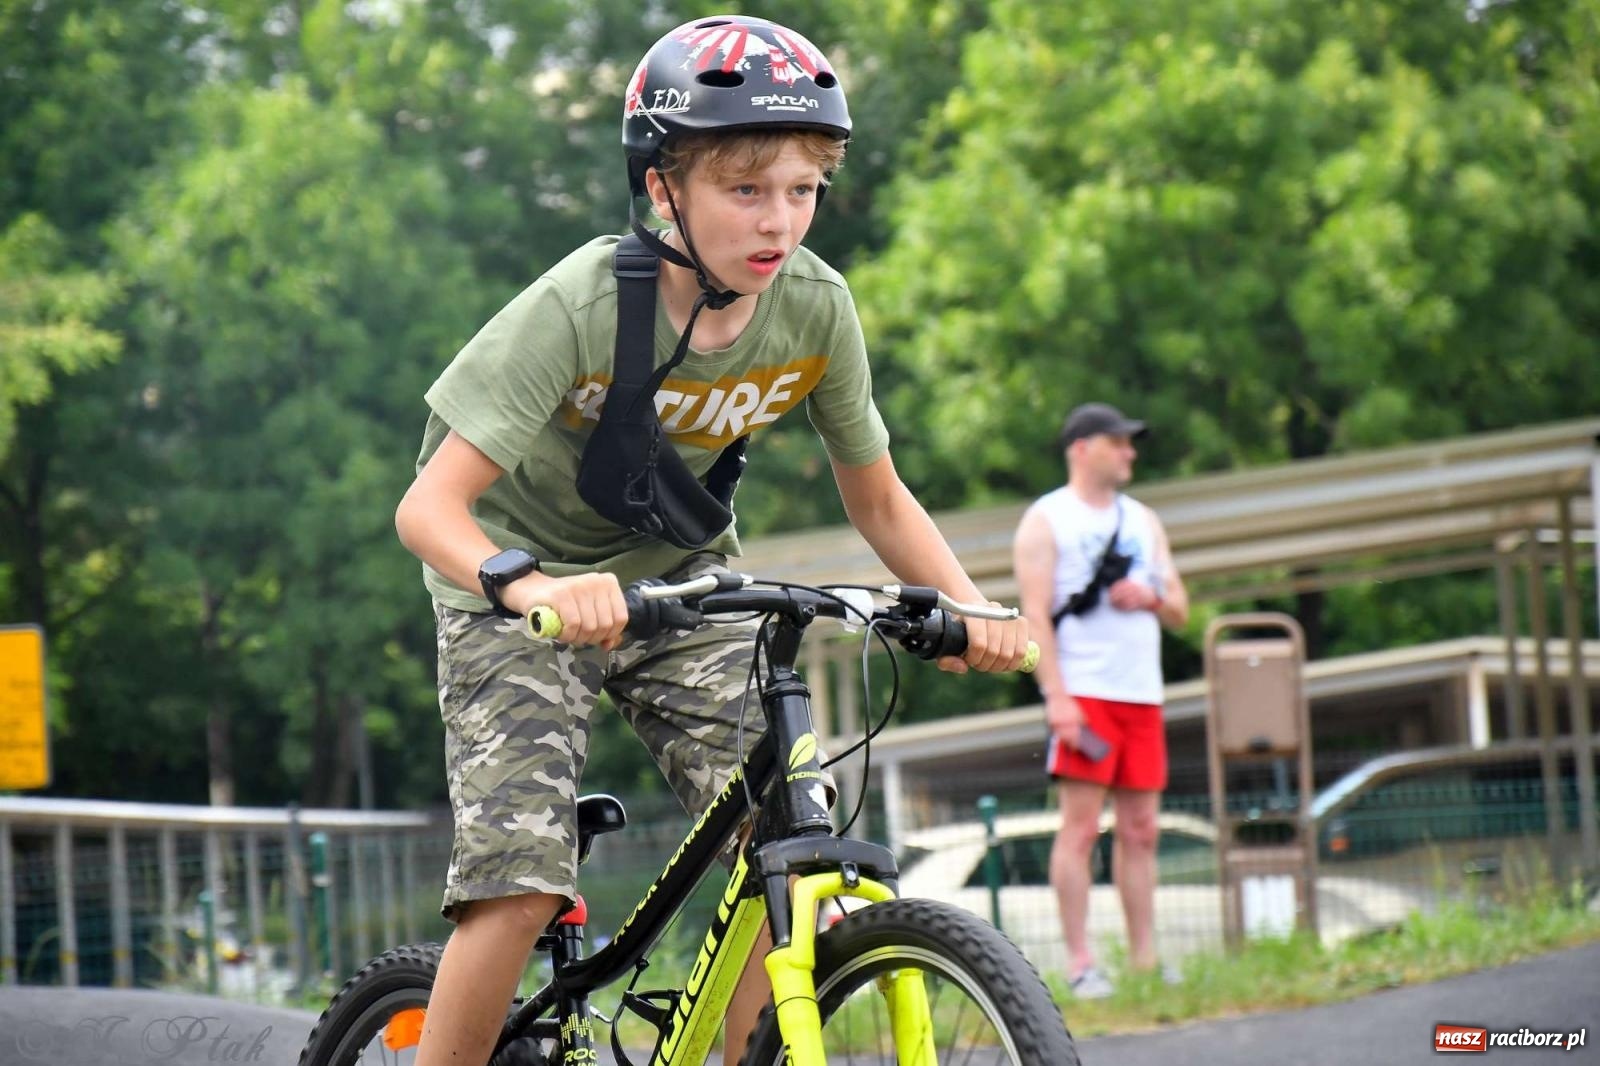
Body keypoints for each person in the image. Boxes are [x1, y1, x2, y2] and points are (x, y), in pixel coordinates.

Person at [393, 16, 1028, 1066]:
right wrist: (527, 586)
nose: (779, 219)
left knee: (787, 839)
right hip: (515, 588)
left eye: (802, 189)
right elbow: (428, 510)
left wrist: (965, 607)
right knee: (520, 881)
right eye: (746, 190)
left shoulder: (817, 309)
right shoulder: (580, 305)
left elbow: (878, 499)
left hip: (680, 590)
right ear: (662, 191)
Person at [1011, 402, 1189, 999]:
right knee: (1080, 830)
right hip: (1084, 694)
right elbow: (1035, 614)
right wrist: (1056, 697)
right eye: (1119, 443)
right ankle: (1082, 963)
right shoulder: (1046, 519)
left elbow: (1182, 608)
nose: (1130, 453)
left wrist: (1153, 596)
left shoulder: (1145, 520)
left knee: (1142, 830)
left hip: (1142, 693)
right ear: (1082, 448)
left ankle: (1145, 961)